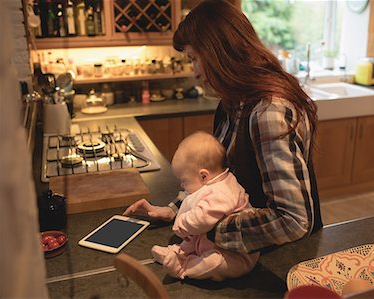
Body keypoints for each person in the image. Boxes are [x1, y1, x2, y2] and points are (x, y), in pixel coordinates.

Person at [125, 0, 322, 255]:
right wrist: (175, 210)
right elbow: (218, 179)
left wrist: (208, 229)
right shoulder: (232, 103)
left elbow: (293, 220)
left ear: (219, 54)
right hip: (250, 252)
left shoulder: (268, 112)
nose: (195, 72)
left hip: (283, 257)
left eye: (194, 58)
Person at [128, 131, 259, 281]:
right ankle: (178, 253)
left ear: (203, 176)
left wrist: (181, 224)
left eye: (184, 181)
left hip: (236, 254)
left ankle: (183, 267)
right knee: (196, 239)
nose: (183, 186)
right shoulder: (212, 182)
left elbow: (202, 219)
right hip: (216, 241)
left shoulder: (222, 192)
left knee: (213, 263)